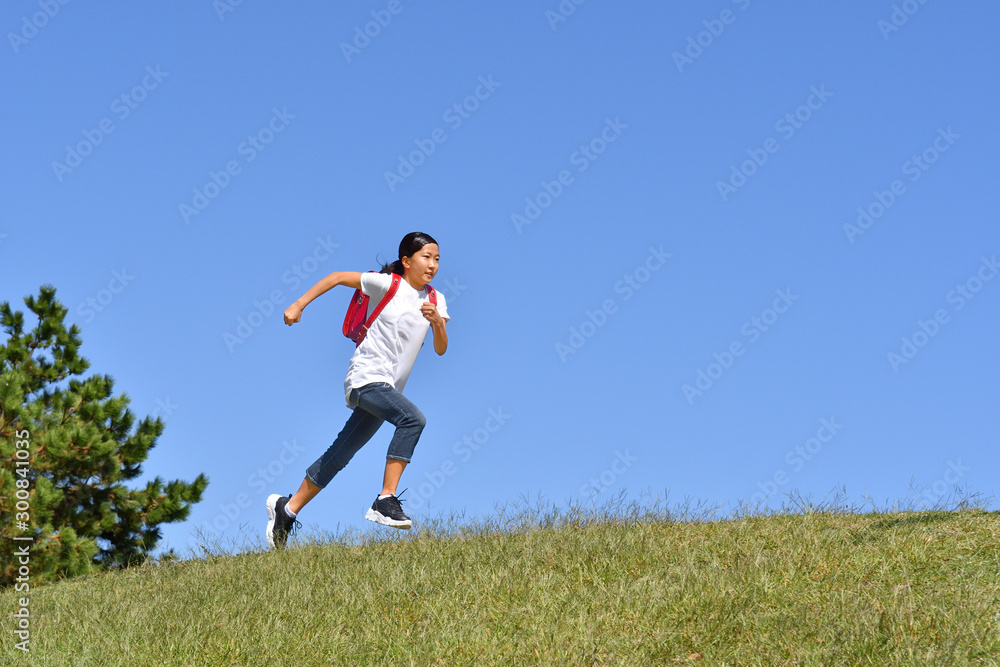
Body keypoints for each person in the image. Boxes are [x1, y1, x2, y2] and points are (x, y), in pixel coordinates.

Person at [265, 231, 450, 550]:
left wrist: (437, 323)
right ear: (406, 262)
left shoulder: (435, 299)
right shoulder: (388, 285)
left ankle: (287, 510)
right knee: (413, 420)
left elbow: (441, 349)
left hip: (387, 389)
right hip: (366, 378)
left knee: (340, 454)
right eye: (426, 257)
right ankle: (385, 500)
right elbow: (337, 277)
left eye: (436, 259)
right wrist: (298, 305)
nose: (432, 264)